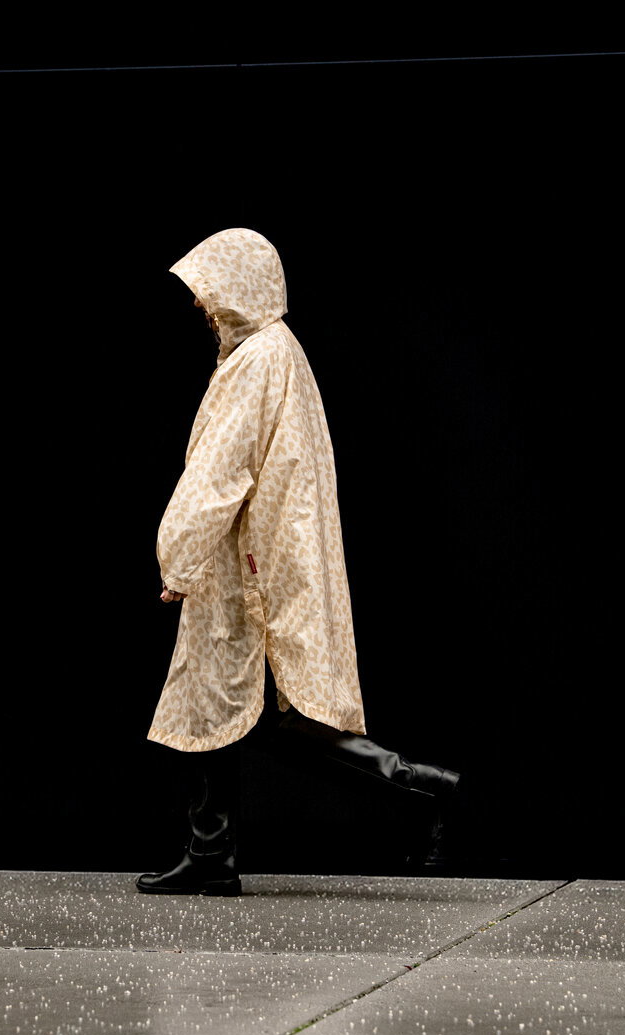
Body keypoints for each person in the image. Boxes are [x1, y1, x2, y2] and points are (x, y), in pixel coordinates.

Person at [137, 228, 466, 896]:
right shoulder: (275, 353)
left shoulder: (258, 359)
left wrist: (179, 554)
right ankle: (212, 852)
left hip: (246, 568)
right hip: (256, 559)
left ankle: (416, 786)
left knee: (255, 712)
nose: (203, 306)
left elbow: (221, 470)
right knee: (229, 710)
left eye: (210, 291)